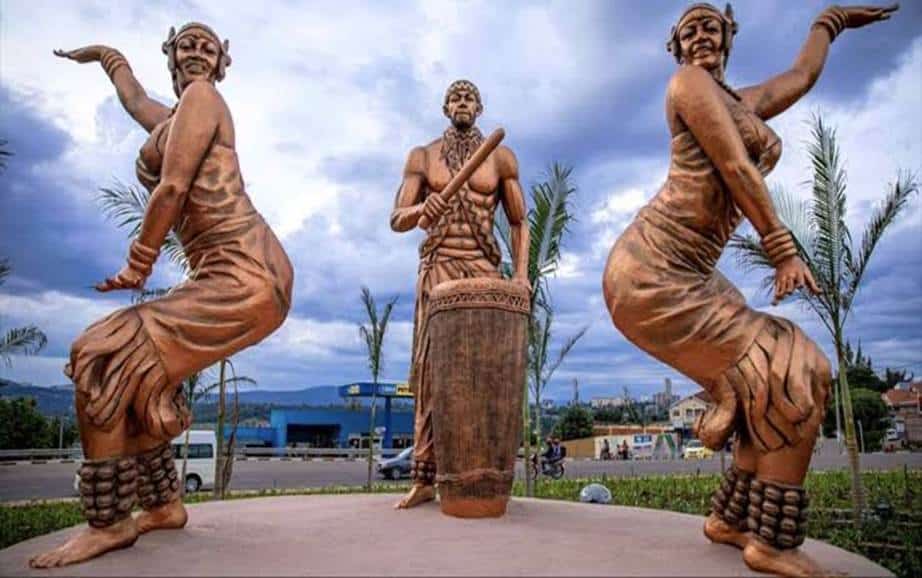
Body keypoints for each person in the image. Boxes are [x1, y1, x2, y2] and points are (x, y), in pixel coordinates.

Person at [601, 4, 897, 575]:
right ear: (677, 48)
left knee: (760, 381)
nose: (701, 35)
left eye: (711, 26)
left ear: (729, 38)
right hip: (652, 269)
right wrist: (782, 250)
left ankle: (732, 518)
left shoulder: (741, 101)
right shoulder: (688, 84)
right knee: (798, 369)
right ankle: (772, 542)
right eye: (689, 30)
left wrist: (830, 22)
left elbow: (801, 77)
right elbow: (737, 167)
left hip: (690, 273)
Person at [32, 23, 293, 568]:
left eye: (207, 47)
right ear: (170, 56)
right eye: (186, 45)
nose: (196, 53)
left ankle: (108, 523)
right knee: (142, 377)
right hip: (239, 275)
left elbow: (172, 186)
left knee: (102, 353)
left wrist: (138, 263)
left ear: (221, 63)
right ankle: (163, 504)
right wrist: (107, 57)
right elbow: (134, 101)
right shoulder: (175, 117)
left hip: (244, 272)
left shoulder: (203, 99)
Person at [390, 80, 530, 509]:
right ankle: (424, 477)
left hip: (484, 269)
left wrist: (521, 275)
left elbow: (519, 221)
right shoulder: (423, 156)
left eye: (469, 97)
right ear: (445, 107)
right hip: (439, 268)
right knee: (431, 374)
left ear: (480, 107)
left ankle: (484, 479)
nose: (463, 103)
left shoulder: (500, 157)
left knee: (486, 374)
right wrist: (422, 209)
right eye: (456, 97)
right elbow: (397, 218)